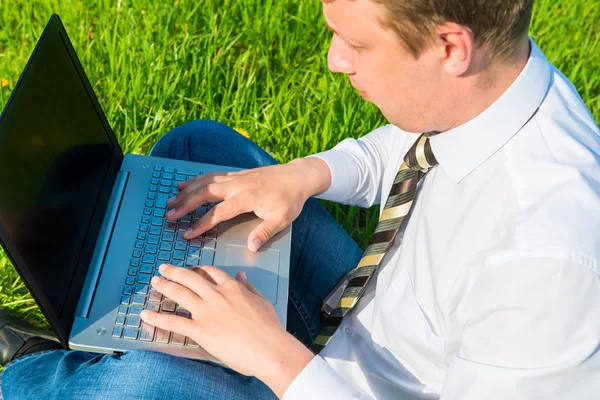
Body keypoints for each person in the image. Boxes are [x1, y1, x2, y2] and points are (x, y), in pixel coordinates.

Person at [1, 0, 599, 398]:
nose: (335, 61)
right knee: (201, 148)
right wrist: (302, 175)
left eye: (355, 45)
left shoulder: (545, 267)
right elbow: (413, 137)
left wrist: (270, 353)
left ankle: (30, 367)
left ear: (450, 48)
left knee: (147, 380)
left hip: (348, 386)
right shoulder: (502, 81)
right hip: (360, 323)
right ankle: (112, 323)